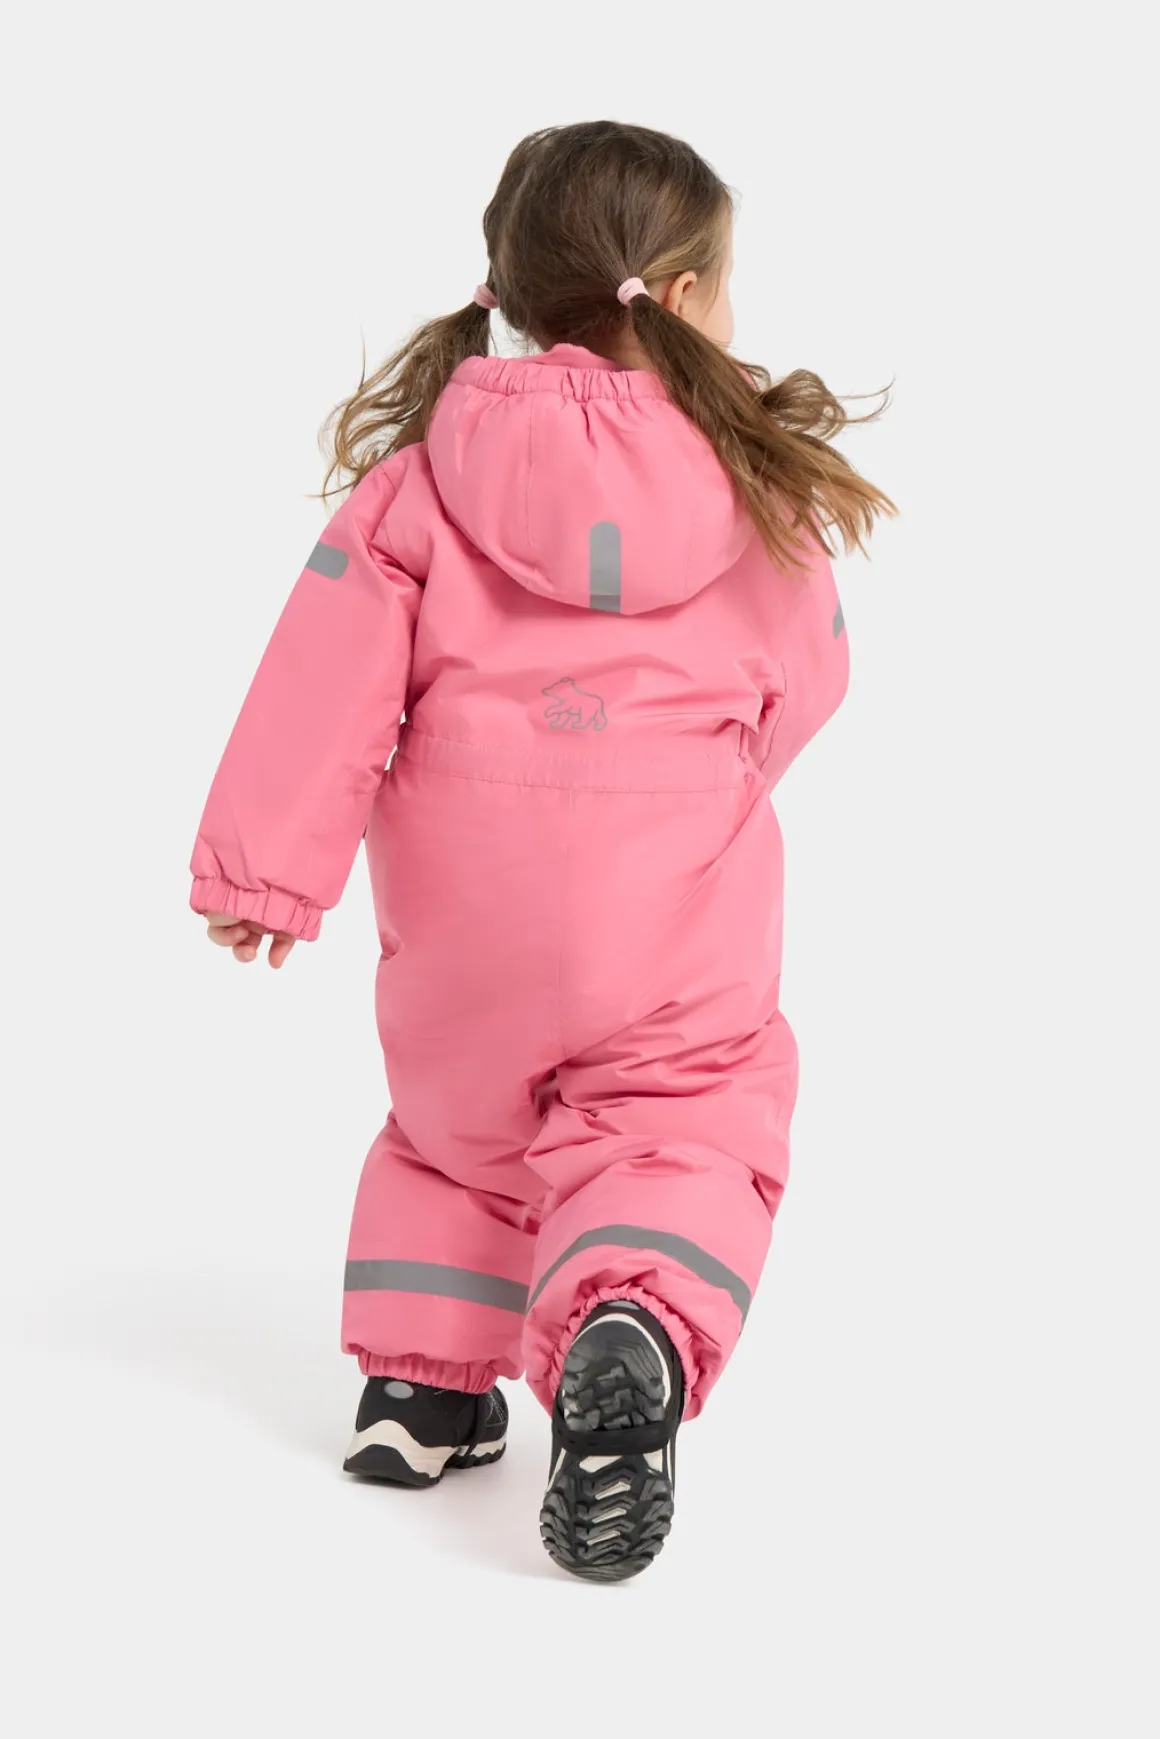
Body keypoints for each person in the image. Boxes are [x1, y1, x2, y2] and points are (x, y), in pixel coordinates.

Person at [190, 119, 896, 1582]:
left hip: (464, 914)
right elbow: (810, 682)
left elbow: (323, 684)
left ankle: (421, 1392)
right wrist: (707, 784)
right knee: (681, 1118)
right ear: (684, 297)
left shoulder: (418, 483)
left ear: (509, 283)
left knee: (459, 1130)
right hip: (668, 920)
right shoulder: (755, 483)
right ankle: (629, 1316)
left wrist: (267, 875)